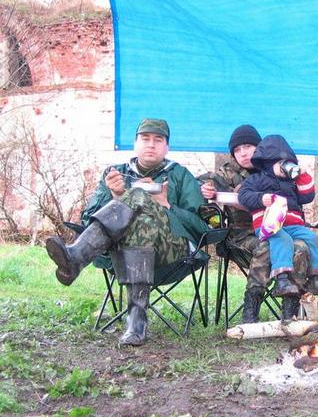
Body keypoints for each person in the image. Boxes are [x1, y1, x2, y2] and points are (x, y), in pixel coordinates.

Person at [45, 118, 208, 346]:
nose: (151, 144)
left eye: (158, 140)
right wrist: (113, 196)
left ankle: (76, 258)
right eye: (145, 138)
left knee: (137, 194)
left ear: (167, 147)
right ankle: (136, 326)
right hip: (121, 253)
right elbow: (87, 217)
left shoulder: (180, 176)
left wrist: (166, 205)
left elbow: (201, 227)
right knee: (139, 224)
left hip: (173, 251)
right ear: (135, 144)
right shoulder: (115, 175)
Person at [199, 125, 310, 322]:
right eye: (237, 150)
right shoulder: (227, 174)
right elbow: (197, 184)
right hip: (241, 236)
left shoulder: (279, 170)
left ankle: (290, 313)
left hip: (283, 232)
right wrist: (206, 191)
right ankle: (250, 312)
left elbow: (300, 197)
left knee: (300, 247)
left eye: (248, 147)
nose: (243, 153)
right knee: (266, 246)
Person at [238, 134, 318, 299]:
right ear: (268, 163)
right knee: (283, 239)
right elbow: (243, 196)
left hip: (294, 225)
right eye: (280, 164)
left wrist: (302, 176)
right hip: (269, 224)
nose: (284, 167)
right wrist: (261, 199)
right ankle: (281, 278)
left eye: (287, 163)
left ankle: (316, 278)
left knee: (312, 238)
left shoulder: (291, 182)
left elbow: (307, 196)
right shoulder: (257, 180)